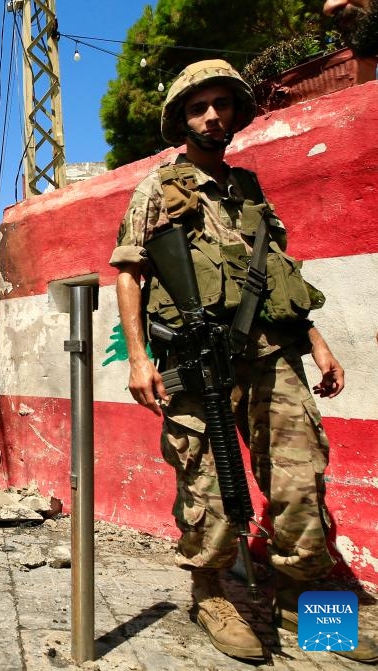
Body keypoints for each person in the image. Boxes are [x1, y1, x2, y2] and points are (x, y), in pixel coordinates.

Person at [110, 59, 375, 663]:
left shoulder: (248, 189)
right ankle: (212, 593)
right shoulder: (158, 189)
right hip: (198, 360)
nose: (211, 116)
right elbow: (129, 271)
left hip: (272, 355)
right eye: (199, 107)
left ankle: (305, 604)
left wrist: (315, 339)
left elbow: (277, 276)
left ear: (235, 113)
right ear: (181, 119)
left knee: (300, 481)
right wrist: (137, 358)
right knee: (209, 485)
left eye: (221, 105)